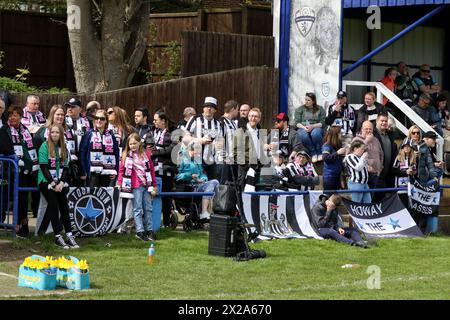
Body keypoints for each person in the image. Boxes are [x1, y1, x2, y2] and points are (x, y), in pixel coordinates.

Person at [37, 124, 79, 249]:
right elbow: (44, 167)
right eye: (52, 132)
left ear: (61, 134)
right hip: (45, 180)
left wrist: (61, 182)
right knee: (53, 205)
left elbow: (66, 168)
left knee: (64, 206)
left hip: (59, 181)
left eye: (57, 132)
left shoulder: (64, 147)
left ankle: (69, 234)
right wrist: (53, 183)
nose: (54, 134)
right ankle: (57, 236)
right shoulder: (44, 146)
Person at [0, 105, 40, 238]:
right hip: (11, 170)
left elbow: (31, 147)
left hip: (26, 169)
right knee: (11, 198)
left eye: (16, 115)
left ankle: (23, 225)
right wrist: (17, 159)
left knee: (23, 197)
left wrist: (29, 163)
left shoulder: (25, 130)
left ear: (21, 117)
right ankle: (16, 224)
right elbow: (5, 148)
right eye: (10, 115)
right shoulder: (4, 130)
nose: (12, 118)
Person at [116, 133, 158, 241]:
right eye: (130, 144)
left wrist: (154, 185)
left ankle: (149, 230)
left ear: (140, 143)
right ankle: (140, 231)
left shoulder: (146, 154)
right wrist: (119, 182)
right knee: (138, 209)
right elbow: (121, 171)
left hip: (147, 185)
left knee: (148, 208)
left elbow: (152, 170)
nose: (133, 146)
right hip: (136, 185)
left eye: (135, 143)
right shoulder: (126, 155)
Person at [145, 108, 176, 228]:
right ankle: (153, 222)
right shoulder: (151, 133)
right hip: (153, 169)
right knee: (153, 195)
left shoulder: (172, 133)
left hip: (166, 169)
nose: (154, 122)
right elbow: (147, 148)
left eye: (156, 120)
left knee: (166, 196)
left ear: (163, 120)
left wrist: (156, 152)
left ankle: (167, 223)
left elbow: (171, 150)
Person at [176, 142, 219, 221]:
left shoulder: (197, 160)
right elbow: (177, 176)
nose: (197, 156)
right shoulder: (182, 158)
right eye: (196, 153)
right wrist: (190, 175)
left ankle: (211, 210)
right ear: (191, 151)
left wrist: (203, 179)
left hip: (199, 184)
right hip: (189, 185)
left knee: (215, 182)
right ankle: (205, 211)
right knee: (211, 186)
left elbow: (202, 173)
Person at [185, 96, 224, 180]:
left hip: (211, 161)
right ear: (203, 108)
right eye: (207, 106)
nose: (209, 109)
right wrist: (199, 140)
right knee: (198, 185)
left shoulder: (218, 124)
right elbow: (185, 137)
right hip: (195, 159)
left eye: (211, 107)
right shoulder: (195, 119)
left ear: (215, 110)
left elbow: (220, 142)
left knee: (213, 184)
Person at [80, 109, 120, 188]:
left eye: (102, 119)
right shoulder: (89, 134)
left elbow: (116, 153)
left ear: (106, 121)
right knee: (92, 196)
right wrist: (84, 170)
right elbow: (82, 153)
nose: (99, 120)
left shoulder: (111, 136)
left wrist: (116, 170)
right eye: (97, 118)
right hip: (92, 172)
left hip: (107, 172)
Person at [293, 92, 326, 162]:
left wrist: (313, 126)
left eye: (308, 100)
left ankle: (319, 152)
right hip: (302, 127)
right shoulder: (300, 109)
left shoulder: (320, 109)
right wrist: (304, 128)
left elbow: (323, 123)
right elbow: (296, 123)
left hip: (316, 126)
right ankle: (313, 153)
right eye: (305, 100)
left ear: (313, 101)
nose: (306, 102)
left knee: (316, 133)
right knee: (303, 135)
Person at [351, 121, 383, 190]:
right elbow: (354, 154)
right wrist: (367, 140)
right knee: (363, 199)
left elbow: (381, 154)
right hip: (363, 175)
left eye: (370, 129)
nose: (368, 131)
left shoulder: (376, 140)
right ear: (362, 129)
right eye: (366, 129)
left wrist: (379, 169)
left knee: (370, 198)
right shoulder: (356, 140)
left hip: (375, 174)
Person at [373, 112, 397, 202]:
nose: (384, 123)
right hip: (377, 173)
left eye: (385, 121)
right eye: (381, 121)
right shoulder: (372, 133)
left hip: (389, 172)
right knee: (376, 199)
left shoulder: (390, 134)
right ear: (377, 121)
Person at [218, 100, 239, 184]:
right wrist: (224, 157)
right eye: (237, 109)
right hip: (225, 161)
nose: (238, 112)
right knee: (224, 186)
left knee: (232, 186)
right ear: (233, 109)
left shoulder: (233, 123)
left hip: (233, 160)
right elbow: (219, 140)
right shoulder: (221, 122)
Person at [392, 139, 417, 208]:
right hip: (400, 187)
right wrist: (405, 172)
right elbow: (393, 171)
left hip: (411, 187)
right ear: (402, 148)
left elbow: (416, 172)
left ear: (411, 148)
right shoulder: (398, 158)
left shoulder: (414, 158)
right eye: (404, 146)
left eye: (408, 146)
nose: (406, 148)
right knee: (402, 206)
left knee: (411, 206)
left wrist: (414, 172)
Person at [322, 126, 346, 192]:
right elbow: (326, 158)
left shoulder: (337, 145)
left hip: (337, 176)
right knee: (329, 198)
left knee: (336, 199)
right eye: (340, 133)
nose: (341, 135)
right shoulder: (326, 145)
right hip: (329, 177)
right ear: (335, 134)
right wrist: (337, 153)